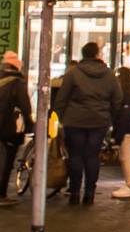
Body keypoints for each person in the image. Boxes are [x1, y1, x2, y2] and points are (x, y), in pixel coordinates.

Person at [50, 42, 120, 205]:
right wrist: (110, 117)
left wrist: (59, 118)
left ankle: (74, 192)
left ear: (83, 54)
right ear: (97, 54)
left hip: (74, 121)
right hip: (99, 121)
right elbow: (117, 98)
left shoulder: (73, 73)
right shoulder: (109, 75)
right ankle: (89, 194)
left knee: (75, 156)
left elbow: (61, 98)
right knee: (92, 156)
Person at [0, 53, 33, 206]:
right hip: (11, 127)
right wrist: (30, 121)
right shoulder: (17, 83)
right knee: (6, 161)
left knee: (3, 160)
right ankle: (0, 195)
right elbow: (25, 106)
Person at [109, 70, 130, 199]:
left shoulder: (127, 98)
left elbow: (124, 116)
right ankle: (129, 184)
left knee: (125, 157)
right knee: (124, 157)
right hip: (127, 128)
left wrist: (117, 135)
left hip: (126, 129)